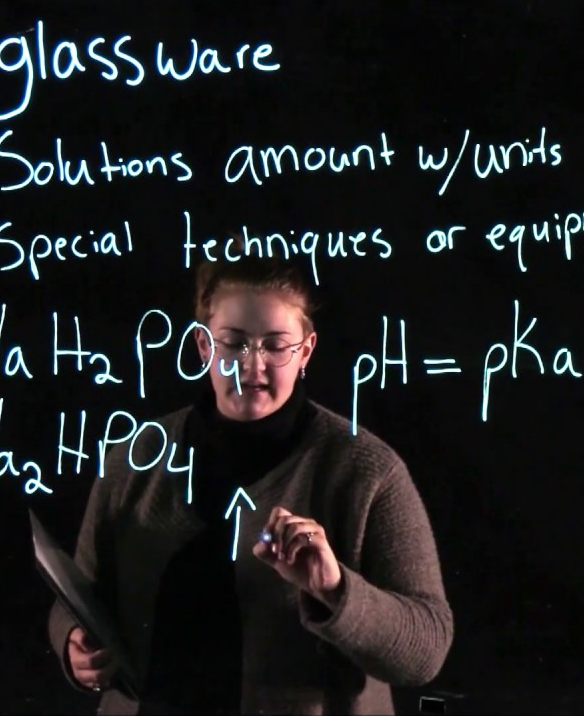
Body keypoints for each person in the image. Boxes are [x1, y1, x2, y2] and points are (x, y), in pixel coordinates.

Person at [47, 237, 454, 715]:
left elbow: (426, 649)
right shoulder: (134, 458)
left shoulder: (367, 471)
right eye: (234, 342)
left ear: (306, 351)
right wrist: (72, 643)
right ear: (203, 345)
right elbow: (79, 595)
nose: (252, 365)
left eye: (275, 345)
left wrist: (334, 588)